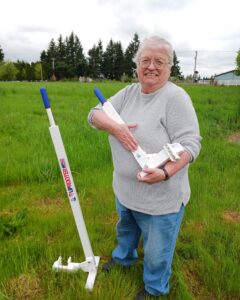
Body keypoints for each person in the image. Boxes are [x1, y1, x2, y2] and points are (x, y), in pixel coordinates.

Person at [88, 36, 201, 299]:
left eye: (159, 61)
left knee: (157, 250)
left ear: (169, 67)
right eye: (145, 60)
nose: (151, 66)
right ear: (136, 64)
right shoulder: (128, 93)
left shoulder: (176, 98)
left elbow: (191, 144)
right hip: (125, 191)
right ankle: (123, 258)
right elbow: (94, 115)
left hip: (161, 198)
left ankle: (154, 288)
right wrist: (115, 127)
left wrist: (164, 173)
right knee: (125, 230)